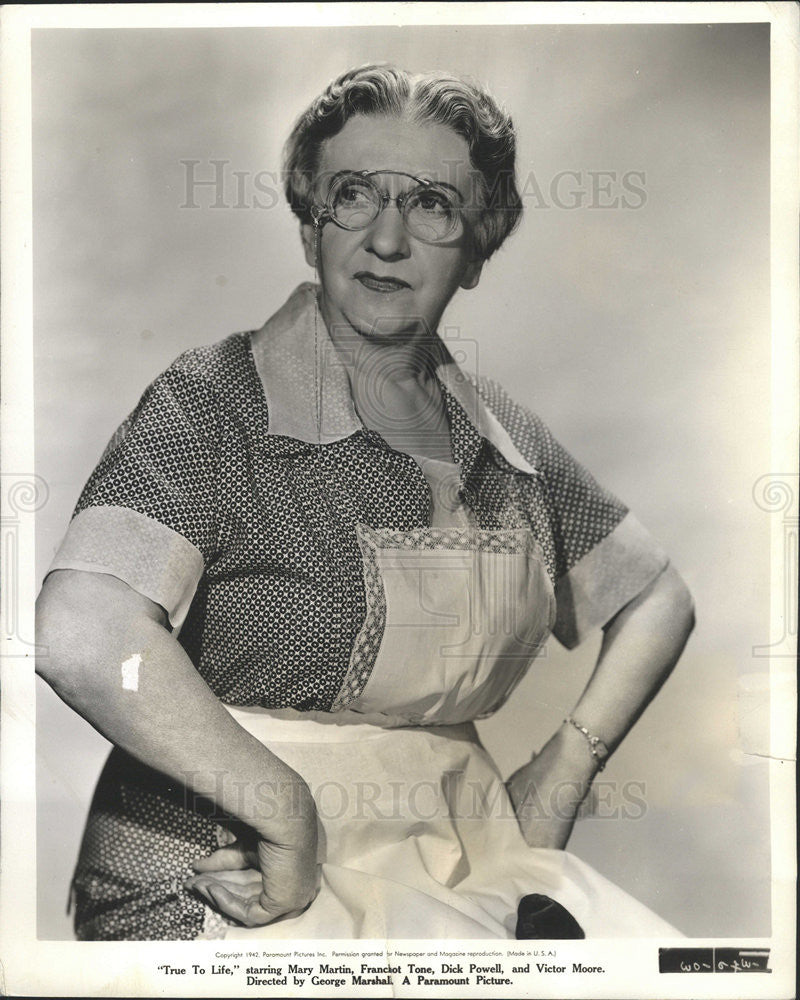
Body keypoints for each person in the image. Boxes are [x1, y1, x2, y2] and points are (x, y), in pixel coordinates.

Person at [36, 64, 695, 941]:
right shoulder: (217, 400)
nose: (386, 240)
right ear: (312, 224)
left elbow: (659, 599)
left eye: (431, 205)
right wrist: (287, 811)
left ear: (479, 243)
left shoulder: (506, 441)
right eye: (353, 195)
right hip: (236, 872)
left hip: (463, 859)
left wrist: (568, 762)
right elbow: (84, 634)